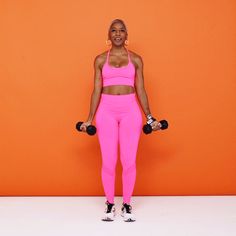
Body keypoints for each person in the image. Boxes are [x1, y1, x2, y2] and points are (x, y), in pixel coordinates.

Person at [80, 19, 162, 222]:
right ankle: (109, 204)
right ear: (108, 36)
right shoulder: (100, 60)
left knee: (128, 161)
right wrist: (89, 119)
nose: (118, 34)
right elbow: (96, 90)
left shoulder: (136, 60)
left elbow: (141, 90)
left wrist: (150, 117)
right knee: (108, 161)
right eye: (114, 31)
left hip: (130, 111)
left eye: (121, 30)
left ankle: (126, 203)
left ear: (127, 35)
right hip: (106, 111)